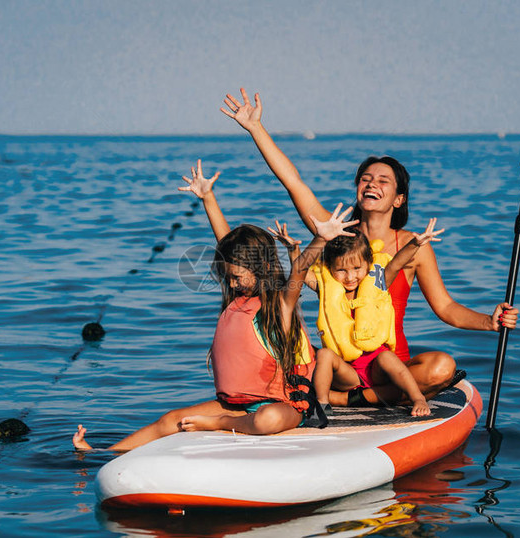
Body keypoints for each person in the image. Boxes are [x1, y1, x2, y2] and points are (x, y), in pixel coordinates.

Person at [222, 88, 519, 406]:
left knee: (442, 367)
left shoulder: (413, 246)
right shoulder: (334, 232)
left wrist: (489, 322)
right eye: (365, 178)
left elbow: (446, 308)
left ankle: (350, 400)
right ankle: (369, 396)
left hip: (388, 366)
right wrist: (256, 128)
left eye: (383, 180)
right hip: (338, 366)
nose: (371, 183)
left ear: (399, 198)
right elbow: (293, 182)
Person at [73, 161, 357, 451]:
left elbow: (298, 268)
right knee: (171, 420)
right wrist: (208, 198)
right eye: (228, 277)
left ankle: (221, 423)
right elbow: (226, 243)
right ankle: (104, 453)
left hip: (283, 405)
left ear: (260, 267)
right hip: (235, 404)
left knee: (266, 420)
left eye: (236, 277)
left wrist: (321, 238)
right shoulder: (237, 296)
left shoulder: (281, 304)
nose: (231, 284)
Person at [272, 218, 442, 417]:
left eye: (356, 269)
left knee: (388, 357)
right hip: (347, 372)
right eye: (341, 270)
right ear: (330, 268)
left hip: (376, 368)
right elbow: (300, 272)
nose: (350, 277)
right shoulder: (327, 288)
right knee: (324, 355)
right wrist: (293, 250)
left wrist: (416, 244)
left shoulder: (378, 282)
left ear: (368, 264)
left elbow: (396, 264)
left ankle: (417, 398)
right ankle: (322, 403)